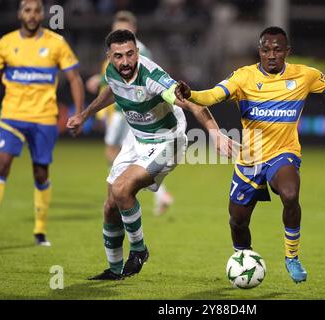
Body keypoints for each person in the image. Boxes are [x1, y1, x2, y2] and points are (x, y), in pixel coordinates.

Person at [175, 26, 325, 283]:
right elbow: (212, 95)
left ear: (288, 51)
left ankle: (292, 257)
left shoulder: (304, 76)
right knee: (238, 220)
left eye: (277, 50)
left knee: (289, 193)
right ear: (260, 51)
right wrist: (191, 95)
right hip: (250, 159)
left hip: (283, 153)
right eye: (266, 50)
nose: (272, 55)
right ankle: (244, 259)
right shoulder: (243, 77)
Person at [67, 29, 233, 280]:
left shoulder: (153, 77)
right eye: (119, 56)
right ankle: (114, 270)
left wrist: (215, 132)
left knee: (122, 189)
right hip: (136, 139)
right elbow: (111, 90)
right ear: (109, 57)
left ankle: (139, 250)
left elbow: (191, 102)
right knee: (111, 205)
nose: (125, 62)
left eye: (130, 54)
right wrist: (84, 115)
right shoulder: (112, 72)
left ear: (137, 52)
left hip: (167, 140)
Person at [0, 0, 84, 246]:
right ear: (20, 13)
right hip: (11, 116)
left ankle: (40, 230)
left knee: (40, 172)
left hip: (44, 118)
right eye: (27, 10)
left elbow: (75, 79)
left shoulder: (56, 44)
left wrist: (79, 113)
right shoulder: (6, 43)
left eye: (37, 10)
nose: (32, 15)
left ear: (42, 14)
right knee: (2, 163)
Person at [86, 11, 173, 216]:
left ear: (133, 29)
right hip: (130, 110)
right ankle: (150, 192)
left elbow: (135, 77)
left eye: (122, 28)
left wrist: (98, 81)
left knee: (114, 149)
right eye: (115, 28)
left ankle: (119, 189)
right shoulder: (130, 48)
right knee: (130, 152)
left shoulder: (137, 51)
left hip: (125, 111)